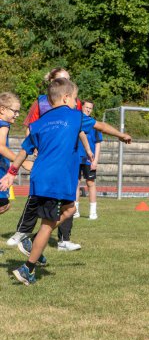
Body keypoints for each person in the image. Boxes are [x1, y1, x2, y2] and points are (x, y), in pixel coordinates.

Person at [0, 78, 132, 286]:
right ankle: (28, 267)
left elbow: (24, 151)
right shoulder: (75, 116)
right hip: (54, 179)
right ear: (66, 98)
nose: (76, 102)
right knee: (48, 224)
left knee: (70, 210)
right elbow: (101, 126)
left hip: (40, 177)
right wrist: (121, 135)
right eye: (75, 98)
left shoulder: (39, 123)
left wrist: (12, 172)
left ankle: (33, 242)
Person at [5, 67, 84, 254]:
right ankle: (23, 233)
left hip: (65, 160)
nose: (68, 82)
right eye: (63, 79)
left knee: (68, 204)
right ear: (53, 82)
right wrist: (34, 148)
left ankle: (64, 240)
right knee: (38, 200)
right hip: (46, 161)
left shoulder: (74, 105)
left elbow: (80, 127)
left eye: (69, 79)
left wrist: (87, 150)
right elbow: (31, 129)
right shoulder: (41, 103)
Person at [0, 93, 35, 254]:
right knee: (3, 204)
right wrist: (22, 162)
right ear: (2, 109)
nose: (17, 114)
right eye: (14, 111)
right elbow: (1, 147)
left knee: (4, 205)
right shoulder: (3, 125)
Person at [74, 100, 101, 220]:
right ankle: (75, 211)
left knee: (90, 183)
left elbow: (98, 143)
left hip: (89, 159)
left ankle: (93, 212)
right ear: (82, 107)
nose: (88, 110)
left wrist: (95, 160)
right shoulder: (76, 121)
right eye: (87, 107)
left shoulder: (94, 124)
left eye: (90, 108)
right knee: (76, 183)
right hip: (75, 158)